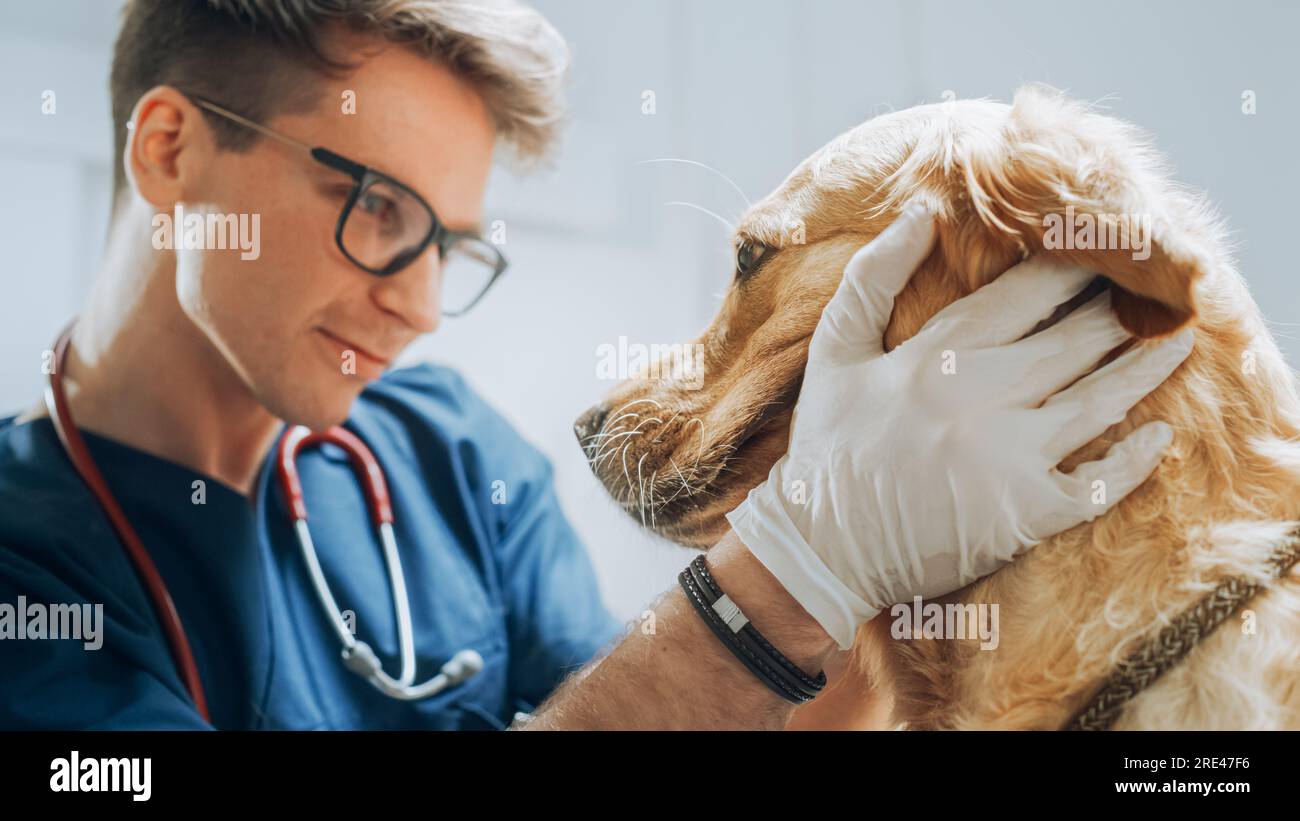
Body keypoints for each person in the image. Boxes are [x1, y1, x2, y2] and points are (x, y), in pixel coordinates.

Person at [0, 0, 1192, 730]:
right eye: (372, 206)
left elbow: (682, 720)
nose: (418, 304)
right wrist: (794, 560)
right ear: (169, 152)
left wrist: (903, 552)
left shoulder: (444, 450)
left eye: (450, 245)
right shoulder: (27, 562)